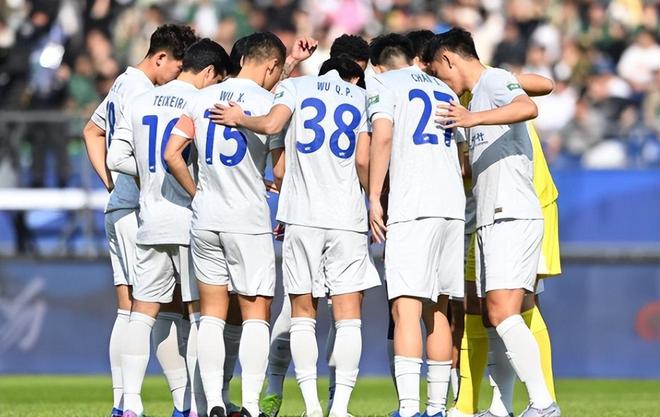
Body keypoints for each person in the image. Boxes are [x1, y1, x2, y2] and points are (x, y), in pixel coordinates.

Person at [214, 55, 380, 417]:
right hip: (347, 217)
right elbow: (363, 160)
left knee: (302, 315)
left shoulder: (295, 86)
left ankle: (311, 407)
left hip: (303, 217)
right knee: (348, 318)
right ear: (354, 76)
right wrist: (374, 200)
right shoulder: (362, 97)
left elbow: (273, 128)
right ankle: (340, 408)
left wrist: (240, 118)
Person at [425, 28, 561, 417]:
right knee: (491, 315)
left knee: (503, 311)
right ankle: (501, 407)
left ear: (449, 59)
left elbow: (528, 107)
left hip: (511, 213)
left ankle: (543, 404)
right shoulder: (475, 94)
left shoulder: (494, 81)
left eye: (438, 71)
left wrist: (473, 119)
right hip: (490, 216)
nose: (441, 81)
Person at [166, 32, 287, 417]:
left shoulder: (202, 98)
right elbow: (281, 171)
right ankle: (249, 404)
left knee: (212, 314)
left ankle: (215, 402)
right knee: (256, 313)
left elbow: (172, 153)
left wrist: (197, 192)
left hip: (206, 219)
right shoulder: (268, 103)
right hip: (247, 220)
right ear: (271, 66)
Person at [81, 23, 197, 417]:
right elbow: (123, 152)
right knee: (148, 310)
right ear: (161, 57)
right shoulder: (143, 91)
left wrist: (111, 185)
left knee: (132, 308)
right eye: (178, 66)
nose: (179, 76)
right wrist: (124, 184)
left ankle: (127, 402)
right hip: (138, 210)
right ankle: (152, 402)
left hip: (122, 206)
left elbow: (91, 132)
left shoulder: (122, 83)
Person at [367, 33, 465, 417]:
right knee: (438, 309)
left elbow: (383, 137)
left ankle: (409, 408)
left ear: (377, 66)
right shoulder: (445, 89)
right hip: (451, 207)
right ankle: (437, 407)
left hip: (413, 205)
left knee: (405, 309)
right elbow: (461, 159)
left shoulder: (384, 84)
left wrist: (374, 197)